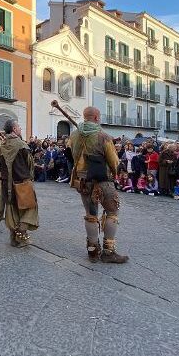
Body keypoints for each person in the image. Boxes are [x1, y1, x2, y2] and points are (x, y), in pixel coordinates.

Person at [68, 107, 128, 263]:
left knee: (90, 215)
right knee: (113, 212)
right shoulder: (103, 136)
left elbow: (71, 155)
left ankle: (93, 251)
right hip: (103, 180)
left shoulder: (74, 136)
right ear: (96, 117)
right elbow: (114, 162)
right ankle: (109, 252)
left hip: (82, 181)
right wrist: (116, 173)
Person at [0, 119, 39, 246]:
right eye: (19, 127)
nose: (20, 129)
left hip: (6, 184)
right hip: (22, 183)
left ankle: (14, 239)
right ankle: (21, 235)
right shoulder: (22, 145)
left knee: (12, 210)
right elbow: (30, 165)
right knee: (30, 209)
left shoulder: (1, 146)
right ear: (14, 129)